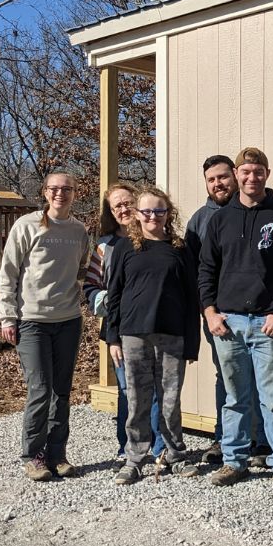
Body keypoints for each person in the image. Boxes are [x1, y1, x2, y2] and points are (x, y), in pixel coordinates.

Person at [198, 147, 273, 490]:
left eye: (257, 171)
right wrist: (211, 314)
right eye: (245, 171)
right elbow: (206, 270)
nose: (251, 177)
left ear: (267, 173)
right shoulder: (219, 220)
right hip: (228, 324)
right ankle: (234, 461)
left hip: (269, 325)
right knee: (235, 398)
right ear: (236, 173)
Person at [0, 172, 91, 481]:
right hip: (32, 321)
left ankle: (57, 454)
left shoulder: (79, 230)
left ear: (76, 193)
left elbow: (81, 269)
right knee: (40, 389)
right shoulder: (27, 225)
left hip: (67, 320)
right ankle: (33, 455)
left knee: (61, 391)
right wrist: (7, 316)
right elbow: (8, 273)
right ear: (45, 192)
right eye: (54, 189)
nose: (60, 193)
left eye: (67, 189)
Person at [106, 186, 201, 484]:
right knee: (137, 398)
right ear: (137, 214)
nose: (152, 216)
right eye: (146, 211)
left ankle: (174, 454)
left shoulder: (179, 248)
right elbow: (115, 295)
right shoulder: (125, 248)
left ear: (167, 213)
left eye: (158, 211)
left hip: (172, 335)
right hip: (133, 334)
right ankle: (134, 458)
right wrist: (113, 337)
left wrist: (192, 343)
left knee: (170, 400)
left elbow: (191, 298)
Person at [185, 155, 271, 466]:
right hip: (219, 316)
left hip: (259, 312)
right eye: (212, 179)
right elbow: (196, 273)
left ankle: (262, 442)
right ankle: (225, 439)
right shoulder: (200, 221)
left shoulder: (259, 211)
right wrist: (208, 312)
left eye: (223, 177)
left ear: (234, 176)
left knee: (263, 380)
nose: (218, 183)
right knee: (228, 378)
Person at [83, 183, 164, 467]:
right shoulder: (105, 247)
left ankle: (159, 447)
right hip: (120, 328)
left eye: (127, 202)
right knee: (128, 390)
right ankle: (127, 446)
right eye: (116, 206)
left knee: (158, 388)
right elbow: (90, 288)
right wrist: (115, 301)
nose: (123, 209)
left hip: (157, 326)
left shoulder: (156, 237)